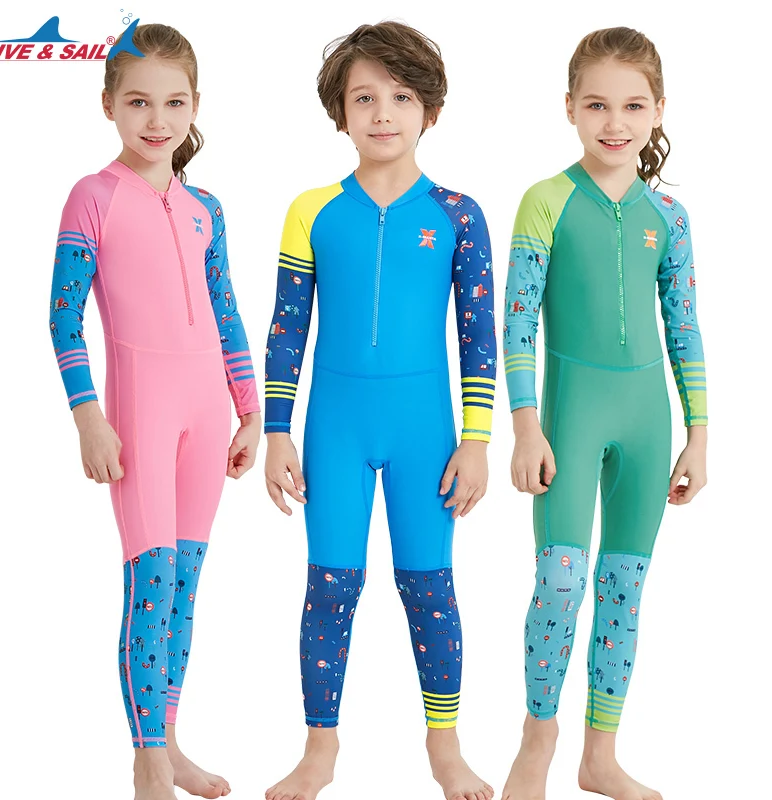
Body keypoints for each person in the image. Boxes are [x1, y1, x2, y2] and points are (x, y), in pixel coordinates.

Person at [263, 21, 496, 800]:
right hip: (334, 427)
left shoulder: (459, 214)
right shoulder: (312, 211)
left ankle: (445, 747)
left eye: (401, 97)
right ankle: (320, 749)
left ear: (431, 110)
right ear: (340, 113)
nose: (383, 113)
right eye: (364, 98)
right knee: (330, 584)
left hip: (426, 429)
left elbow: (478, 336)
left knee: (429, 585)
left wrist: (477, 440)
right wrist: (275, 432)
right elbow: (288, 327)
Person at [48, 23, 260, 800]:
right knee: (152, 579)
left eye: (174, 102)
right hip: (138, 414)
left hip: (207, 418)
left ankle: (169, 742)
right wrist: (88, 416)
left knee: (186, 584)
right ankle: (147, 764)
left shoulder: (207, 208)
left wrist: (251, 412)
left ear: (195, 105)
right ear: (108, 105)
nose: (157, 119)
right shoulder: (93, 196)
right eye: (138, 101)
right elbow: (63, 318)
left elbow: (226, 312)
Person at [500, 27, 707, 800]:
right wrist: (526, 425)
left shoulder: (670, 217)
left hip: (648, 421)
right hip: (569, 415)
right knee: (560, 580)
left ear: (658, 110)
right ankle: (537, 738)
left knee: (623, 587)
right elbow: (517, 319)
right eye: (596, 105)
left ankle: (600, 755)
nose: (614, 123)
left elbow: (684, 326)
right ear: (569, 108)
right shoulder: (545, 200)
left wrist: (699, 435)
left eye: (632, 106)